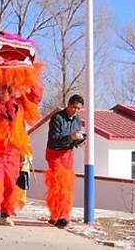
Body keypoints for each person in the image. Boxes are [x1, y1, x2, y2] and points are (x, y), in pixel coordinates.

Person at [45, 94, 85, 229]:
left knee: (67, 186)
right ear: (68, 104)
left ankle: (62, 215)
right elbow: (54, 139)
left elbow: (74, 139)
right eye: (74, 107)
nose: (76, 110)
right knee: (57, 185)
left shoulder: (77, 120)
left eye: (78, 109)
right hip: (55, 154)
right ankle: (57, 215)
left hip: (68, 154)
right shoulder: (57, 118)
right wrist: (70, 137)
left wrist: (79, 140)